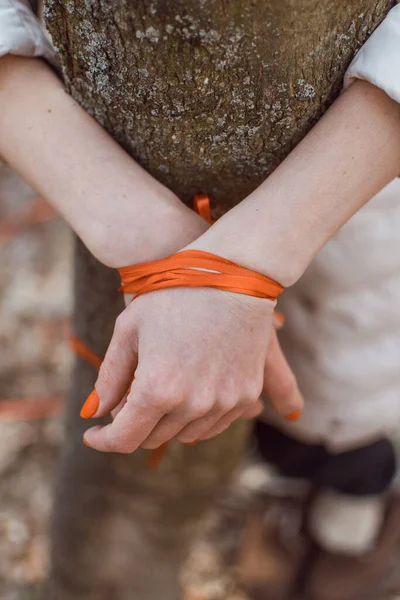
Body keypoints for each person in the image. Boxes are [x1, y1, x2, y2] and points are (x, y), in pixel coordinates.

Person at [1, 0, 400, 593]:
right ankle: (300, 492)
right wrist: (146, 230)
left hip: (365, 190)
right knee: (286, 411)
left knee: (357, 388)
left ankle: (358, 515)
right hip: (120, 177)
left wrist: (242, 264)